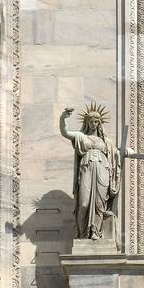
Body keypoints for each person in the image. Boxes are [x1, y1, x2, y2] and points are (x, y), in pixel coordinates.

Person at [60, 103, 121, 240]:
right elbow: (65, 132)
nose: (94, 124)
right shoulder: (81, 137)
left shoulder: (106, 141)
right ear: (87, 122)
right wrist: (63, 118)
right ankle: (83, 234)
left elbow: (116, 155)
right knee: (84, 203)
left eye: (96, 122)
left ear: (99, 123)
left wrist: (125, 152)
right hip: (86, 169)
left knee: (99, 203)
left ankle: (95, 231)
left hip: (102, 170)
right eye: (91, 121)